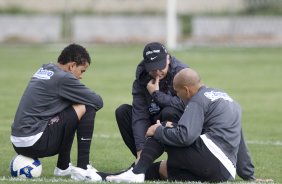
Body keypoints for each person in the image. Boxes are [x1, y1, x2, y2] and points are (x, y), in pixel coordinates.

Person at [106, 68, 255, 183]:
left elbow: (185, 136)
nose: (177, 96)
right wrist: (248, 176)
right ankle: (108, 176)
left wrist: (158, 130)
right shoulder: (228, 100)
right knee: (163, 169)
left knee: (164, 127)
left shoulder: (198, 99)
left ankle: (136, 172)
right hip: (224, 173)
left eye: (177, 92)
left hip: (211, 161)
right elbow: (239, 142)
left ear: (187, 90)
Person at [10, 43, 103, 182]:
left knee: (70, 109)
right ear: (71, 66)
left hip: (17, 142)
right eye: (82, 71)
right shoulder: (64, 78)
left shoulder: (46, 68)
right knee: (86, 106)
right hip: (34, 143)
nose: (81, 76)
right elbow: (97, 101)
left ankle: (63, 167)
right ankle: (84, 167)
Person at [113, 42, 188, 179]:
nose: (158, 73)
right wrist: (141, 149)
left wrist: (156, 95)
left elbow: (185, 105)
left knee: (169, 112)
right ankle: (143, 162)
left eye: (161, 68)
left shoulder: (182, 73)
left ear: (168, 59)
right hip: (153, 119)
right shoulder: (142, 79)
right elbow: (139, 115)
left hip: (176, 124)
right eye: (153, 70)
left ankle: (177, 162)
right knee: (122, 112)